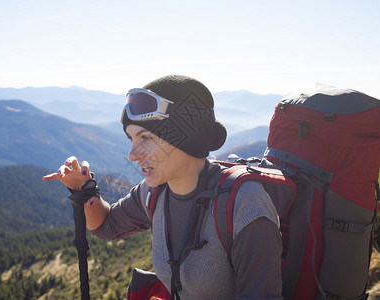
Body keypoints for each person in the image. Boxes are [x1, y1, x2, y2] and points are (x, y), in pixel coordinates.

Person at [43, 75, 282, 299]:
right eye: (132, 139)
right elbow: (106, 225)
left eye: (146, 138)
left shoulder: (245, 203)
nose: (132, 155)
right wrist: (84, 190)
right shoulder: (153, 193)